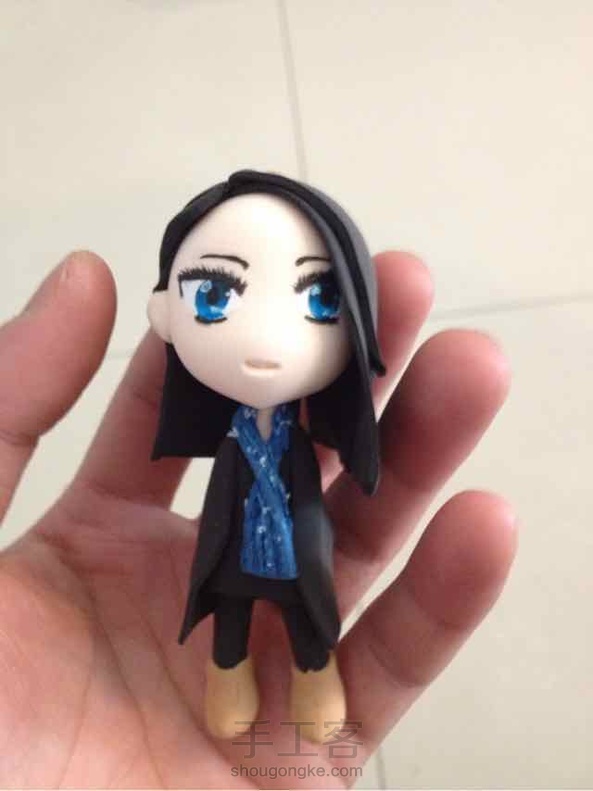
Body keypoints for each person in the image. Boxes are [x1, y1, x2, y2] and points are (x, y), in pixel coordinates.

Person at [0, 247, 516, 787]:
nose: (266, 340)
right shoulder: (231, 442)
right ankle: (228, 675)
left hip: (293, 555)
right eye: (215, 297)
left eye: (318, 300)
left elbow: (310, 496)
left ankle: (314, 675)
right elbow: (225, 497)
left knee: (306, 622)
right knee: (231, 623)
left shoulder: (298, 441)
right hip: (235, 554)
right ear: (168, 314)